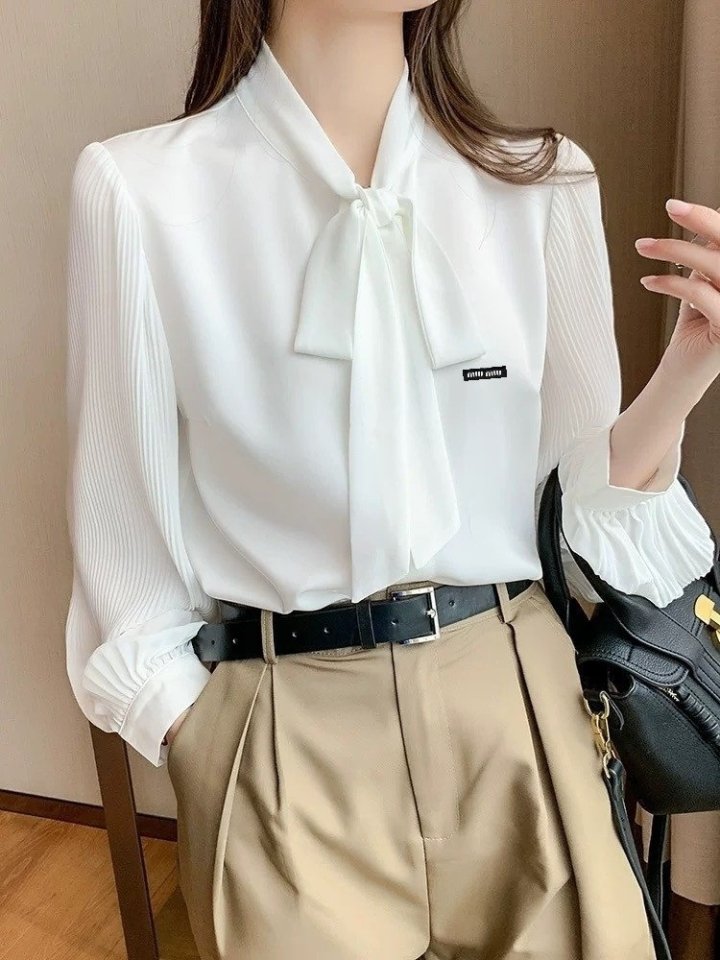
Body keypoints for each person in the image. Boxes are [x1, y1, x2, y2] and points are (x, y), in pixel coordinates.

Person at [63, 2, 720, 958]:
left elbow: (577, 506)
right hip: (286, 728)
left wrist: (692, 367)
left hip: (519, 702)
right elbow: (122, 527)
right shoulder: (139, 190)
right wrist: (195, 736)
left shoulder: (542, 181)